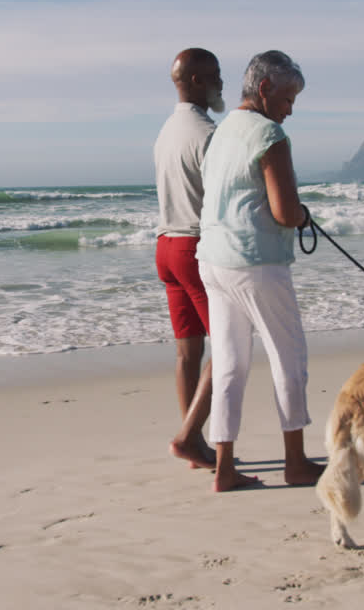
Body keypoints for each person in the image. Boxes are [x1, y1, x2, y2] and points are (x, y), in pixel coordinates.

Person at [195, 50, 324, 491]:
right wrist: (304, 215)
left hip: (212, 258)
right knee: (290, 360)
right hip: (258, 262)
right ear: (265, 89)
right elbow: (285, 212)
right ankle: (295, 463)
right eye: (288, 98)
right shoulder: (269, 135)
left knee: (230, 365)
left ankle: (225, 468)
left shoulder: (221, 133)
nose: (290, 109)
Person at [154, 47, 226, 470]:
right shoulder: (208, 134)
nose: (221, 82)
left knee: (188, 353)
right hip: (194, 246)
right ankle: (188, 436)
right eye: (215, 75)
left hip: (165, 245)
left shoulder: (166, 131)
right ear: (197, 80)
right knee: (229, 348)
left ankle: (194, 442)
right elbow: (222, 202)